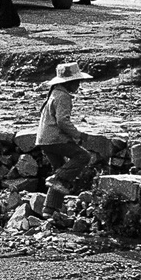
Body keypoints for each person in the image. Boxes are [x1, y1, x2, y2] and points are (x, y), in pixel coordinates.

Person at [36, 62, 94, 190]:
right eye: (77, 81)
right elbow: (62, 121)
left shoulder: (54, 93)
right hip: (54, 139)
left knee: (61, 176)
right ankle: (56, 178)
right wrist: (78, 135)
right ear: (68, 82)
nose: (78, 85)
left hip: (43, 139)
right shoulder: (63, 96)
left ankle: (49, 209)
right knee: (83, 156)